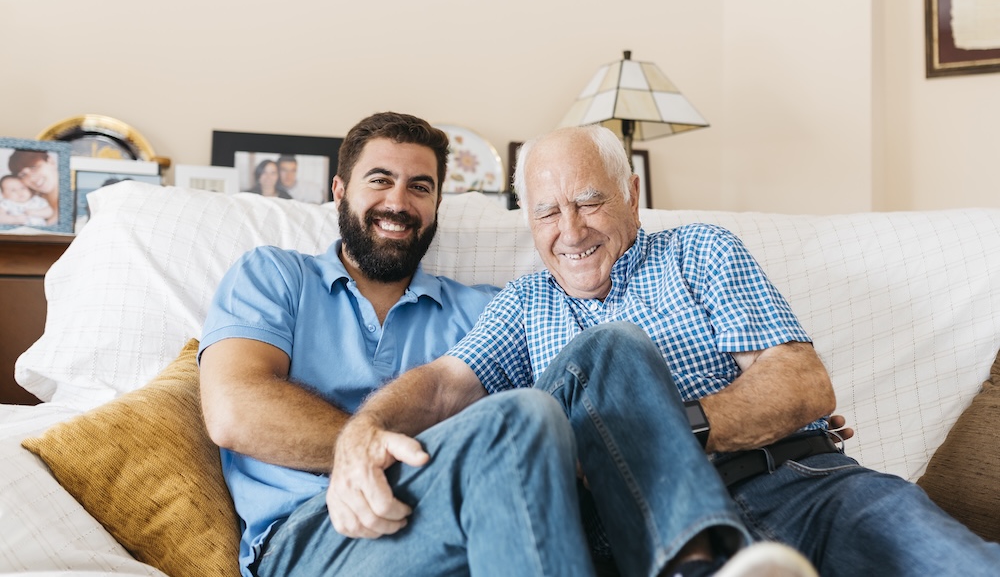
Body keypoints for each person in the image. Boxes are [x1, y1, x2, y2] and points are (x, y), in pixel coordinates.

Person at [329, 125, 1000, 577]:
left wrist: (659, 427)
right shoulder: (524, 301)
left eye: (589, 201)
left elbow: (800, 384)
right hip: (632, 530)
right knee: (604, 351)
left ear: (632, 194)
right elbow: (445, 384)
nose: (570, 230)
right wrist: (364, 428)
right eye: (546, 212)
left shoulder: (699, 251)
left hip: (800, 483)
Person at [199, 112, 597, 577]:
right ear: (340, 191)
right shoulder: (274, 276)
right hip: (310, 534)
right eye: (380, 180)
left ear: (436, 205)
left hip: (466, 517)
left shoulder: (487, 309)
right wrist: (366, 446)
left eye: (420, 187)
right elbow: (234, 410)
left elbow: (568, 417)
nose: (398, 202)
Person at [7, 150, 60, 225]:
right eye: (23, 175)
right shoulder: (29, 203)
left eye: (34, 167)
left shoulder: (74, 201)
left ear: (50, 161)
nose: (31, 179)